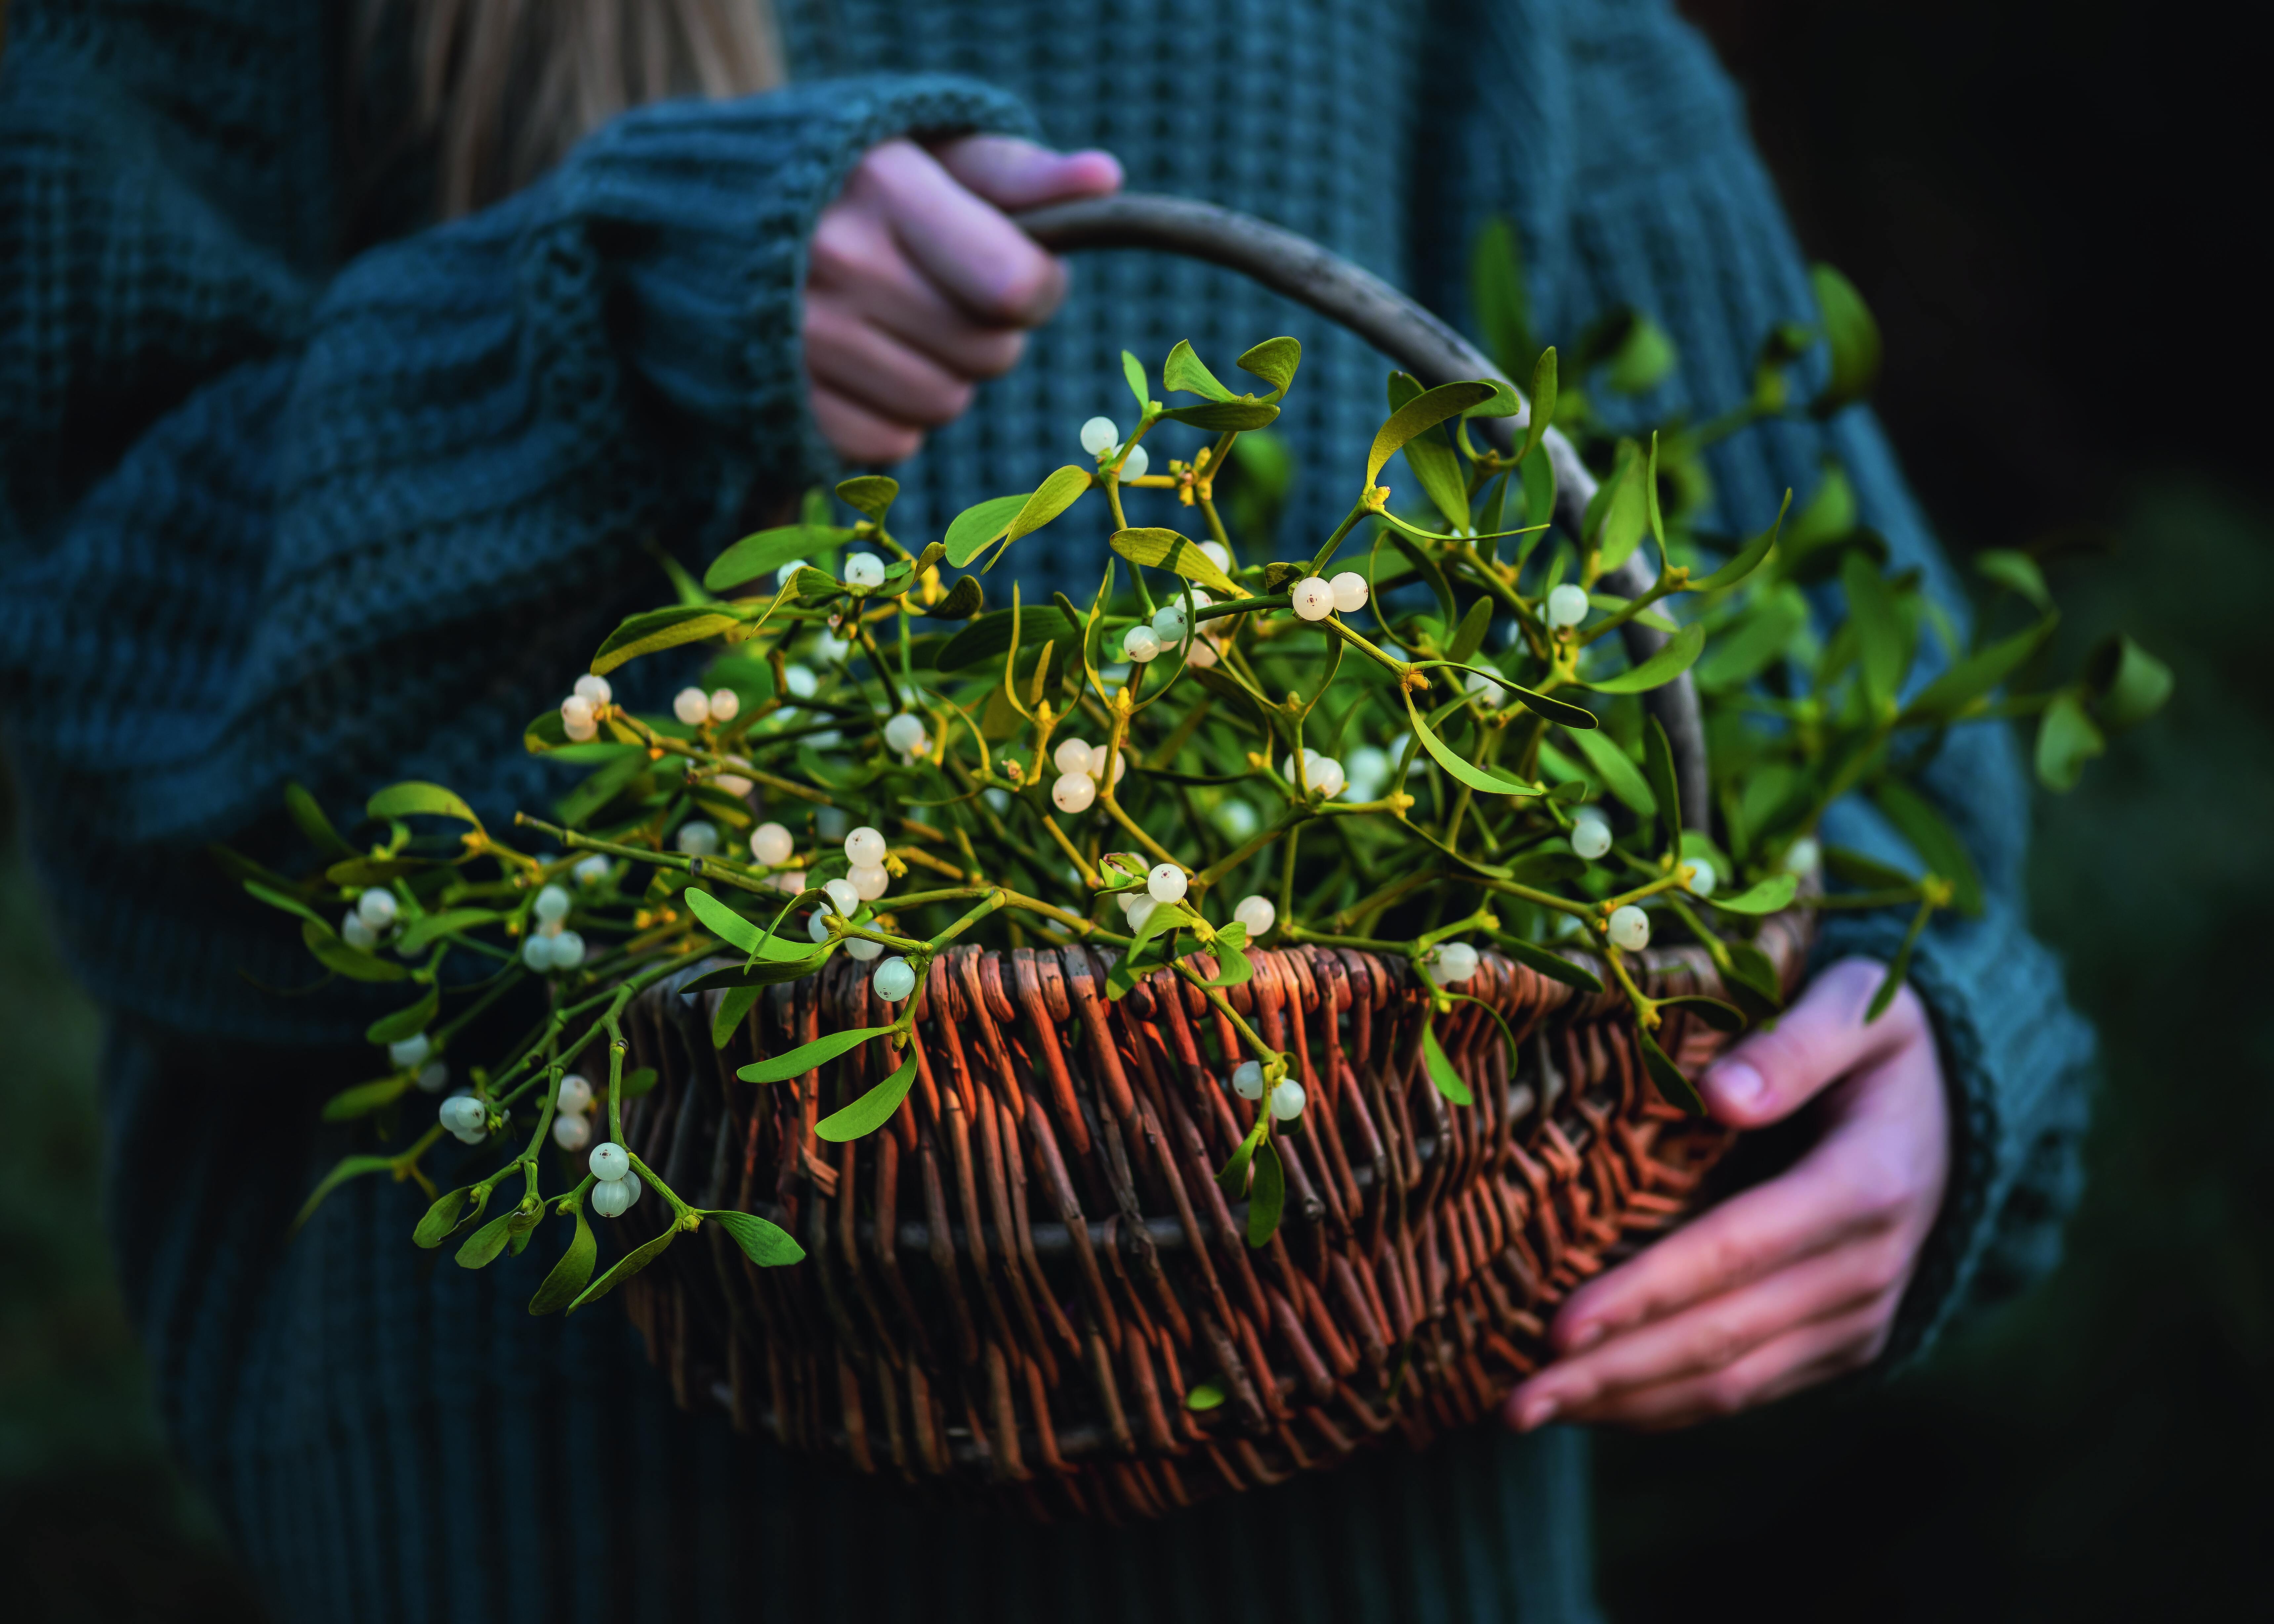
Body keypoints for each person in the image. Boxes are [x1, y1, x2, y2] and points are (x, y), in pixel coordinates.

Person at [0, 1, 2093, 1618]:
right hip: (541, 1537)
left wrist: (1909, 1071)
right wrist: (593, 346)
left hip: (1355, 1558)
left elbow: (1862, 785)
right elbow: (119, 729)